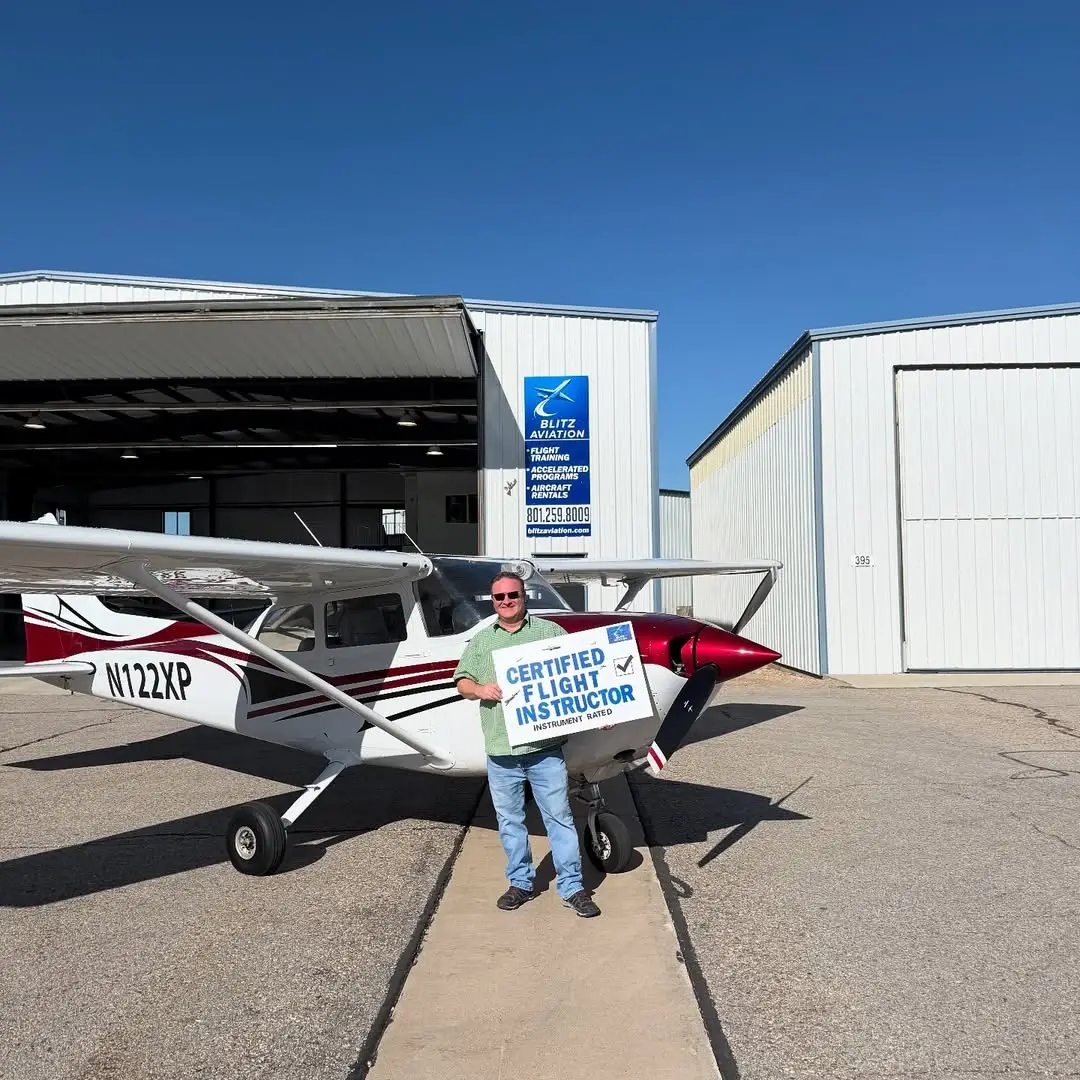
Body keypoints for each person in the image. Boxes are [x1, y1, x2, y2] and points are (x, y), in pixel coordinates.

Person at [454, 572, 601, 918]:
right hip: (502, 751)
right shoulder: (481, 642)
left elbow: (578, 677)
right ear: (493, 601)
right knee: (510, 822)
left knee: (560, 819)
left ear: (524, 596)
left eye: (512, 595)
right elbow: (461, 681)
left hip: (543, 748)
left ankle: (573, 887)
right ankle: (521, 882)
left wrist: (596, 708)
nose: (506, 601)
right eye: (499, 597)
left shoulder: (549, 632)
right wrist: (479, 690)